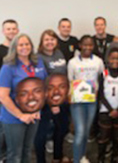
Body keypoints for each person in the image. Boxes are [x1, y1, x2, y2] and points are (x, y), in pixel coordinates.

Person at [0, 34, 47, 163]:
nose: (24, 47)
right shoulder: (8, 67)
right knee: (15, 154)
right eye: (21, 45)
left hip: (34, 115)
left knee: (27, 150)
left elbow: (43, 88)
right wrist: (21, 115)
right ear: (15, 47)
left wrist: (37, 109)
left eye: (27, 44)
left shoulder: (38, 63)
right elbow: (3, 96)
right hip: (14, 117)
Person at [35, 29, 70, 163]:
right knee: (42, 134)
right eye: (47, 40)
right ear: (42, 42)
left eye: (52, 39)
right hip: (47, 102)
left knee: (61, 128)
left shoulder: (59, 53)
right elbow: (41, 82)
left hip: (62, 98)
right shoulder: (38, 57)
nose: (50, 42)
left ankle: (57, 157)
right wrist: (52, 103)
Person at [68, 35, 104, 163]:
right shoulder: (73, 62)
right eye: (85, 44)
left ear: (93, 46)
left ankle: (82, 156)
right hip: (77, 101)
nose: (87, 47)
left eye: (90, 45)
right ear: (80, 45)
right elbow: (70, 81)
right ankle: (77, 159)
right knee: (80, 132)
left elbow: (102, 78)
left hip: (92, 101)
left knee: (86, 131)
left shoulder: (98, 61)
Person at [97, 46, 118, 163]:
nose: (115, 61)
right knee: (103, 137)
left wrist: (117, 109)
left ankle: (114, 158)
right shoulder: (103, 74)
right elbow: (100, 94)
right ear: (108, 59)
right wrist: (110, 109)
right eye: (112, 58)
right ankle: (100, 158)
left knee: (117, 136)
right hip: (105, 110)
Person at [0, 19, 19, 161]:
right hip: (3, 95)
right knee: (2, 129)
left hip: (18, 96)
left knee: (15, 128)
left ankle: (12, 153)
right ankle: (2, 155)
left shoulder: (22, 50)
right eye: (8, 29)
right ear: (3, 31)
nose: (11, 31)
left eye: (14, 28)